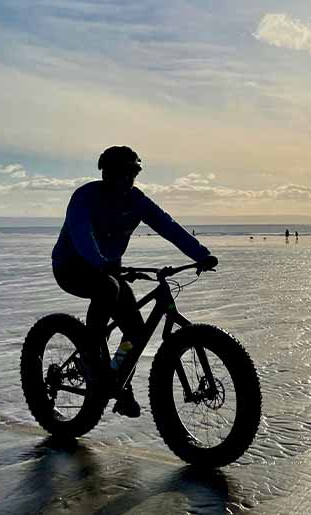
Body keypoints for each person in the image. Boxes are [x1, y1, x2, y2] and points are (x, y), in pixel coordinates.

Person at [51, 146, 218, 418]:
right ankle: (90, 356)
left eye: (132, 174)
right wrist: (100, 261)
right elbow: (81, 233)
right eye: (121, 174)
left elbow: (168, 226)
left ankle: (117, 382)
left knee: (134, 332)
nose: (127, 180)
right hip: (72, 267)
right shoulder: (85, 197)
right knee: (108, 288)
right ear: (106, 174)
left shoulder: (136, 201)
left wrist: (201, 254)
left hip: (108, 269)